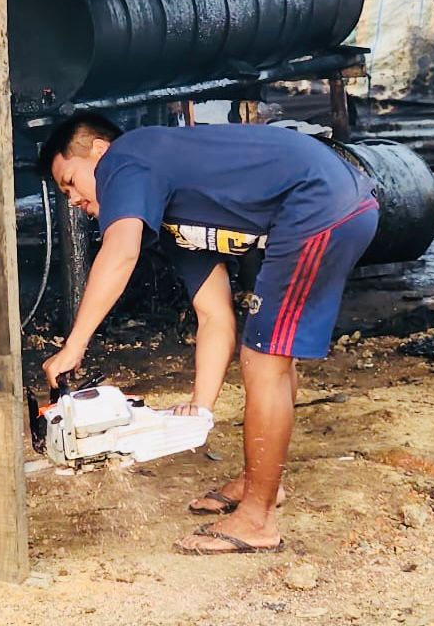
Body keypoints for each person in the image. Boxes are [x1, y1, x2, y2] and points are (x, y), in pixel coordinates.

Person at [40, 112, 378, 555]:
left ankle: (257, 520)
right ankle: (261, 483)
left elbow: (120, 251)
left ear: (98, 151)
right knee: (268, 352)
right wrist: (200, 409)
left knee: (265, 359)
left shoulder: (125, 158)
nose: (72, 200)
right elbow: (214, 314)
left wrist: (74, 345)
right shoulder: (173, 215)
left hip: (321, 201)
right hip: (325, 205)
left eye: (69, 182)